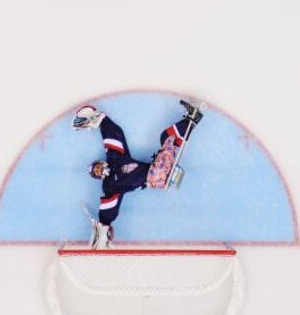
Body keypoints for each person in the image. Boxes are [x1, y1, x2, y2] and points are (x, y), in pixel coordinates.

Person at [73, 100, 205, 248]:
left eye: (97, 167)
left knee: (166, 137)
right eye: (97, 173)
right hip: (155, 178)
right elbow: (108, 208)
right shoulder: (110, 187)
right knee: (167, 138)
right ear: (99, 178)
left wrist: (102, 120)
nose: (99, 170)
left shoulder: (115, 158)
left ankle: (191, 120)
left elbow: (115, 136)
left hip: (157, 169)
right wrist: (103, 228)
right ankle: (192, 119)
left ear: (101, 162)